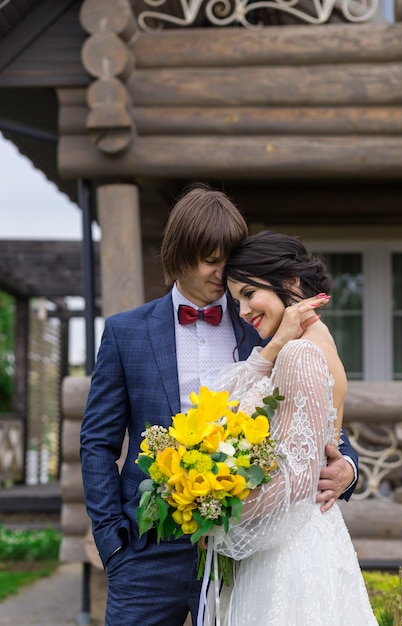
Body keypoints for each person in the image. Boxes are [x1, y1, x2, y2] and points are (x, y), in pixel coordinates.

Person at [79, 185, 358, 626]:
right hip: (145, 553)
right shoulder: (124, 332)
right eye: (211, 259)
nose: (221, 272)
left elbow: (316, 409)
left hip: (245, 554)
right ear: (180, 254)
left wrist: (349, 469)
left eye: (227, 260)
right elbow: (97, 442)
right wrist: (111, 542)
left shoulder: (263, 324)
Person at [203, 231, 377, 626]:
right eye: (236, 300)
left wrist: (218, 515)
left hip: (291, 549)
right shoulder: (311, 341)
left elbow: (299, 477)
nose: (244, 310)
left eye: (249, 293)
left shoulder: (300, 353)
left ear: (290, 283)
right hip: (299, 534)